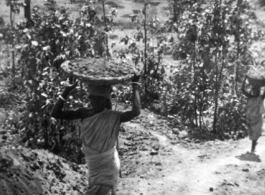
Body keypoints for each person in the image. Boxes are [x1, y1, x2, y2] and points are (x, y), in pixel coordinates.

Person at [51, 74, 141, 195]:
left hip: (108, 165)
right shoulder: (83, 113)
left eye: (98, 99)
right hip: (93, 166)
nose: (94, 101)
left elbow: (136, 111)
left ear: (105, 101)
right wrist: (67, 90)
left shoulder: (113, 116)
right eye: (92, 98)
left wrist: (135, 85)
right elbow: (55, 113)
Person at [242, 76, 265, 153]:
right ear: (252, 91)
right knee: (252, 133)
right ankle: (254, 145)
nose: (255, 92)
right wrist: (244, 80)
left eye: (257, 91)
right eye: (254, 91)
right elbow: (242, 90)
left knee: (255, 133)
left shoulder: (260, 98)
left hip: (258, 119)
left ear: (259, 92)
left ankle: (252, 149)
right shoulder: (250, 97)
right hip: (250, 118)